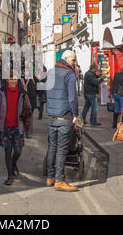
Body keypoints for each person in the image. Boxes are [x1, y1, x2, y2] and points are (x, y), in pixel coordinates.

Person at [0, 71, 33, 185]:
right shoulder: (1, 92)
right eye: (11, 78)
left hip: (18, 127)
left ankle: (14, 163)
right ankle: (9, 175)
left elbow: (29, 112)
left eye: (15, 78)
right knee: (7, 151)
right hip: (5, 127)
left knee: (18, 150)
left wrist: (29, 129)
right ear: (6, 80)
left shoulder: (23, 93)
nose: (13, 81)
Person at [45, 50, 79, 192]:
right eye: (73, 60)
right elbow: (72, 98)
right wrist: (76, 115)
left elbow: (46, 93)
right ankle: (59, 180)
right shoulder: (69, 74)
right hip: (64, 117)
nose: (75, 63)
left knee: (52, 147)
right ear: (65, 59)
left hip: (51, 116)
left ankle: (50, 177)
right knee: (62, 149)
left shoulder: (51, 72)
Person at [21, 66, 36, 139]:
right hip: (23, 101)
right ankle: (23, 131)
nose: (26, 72)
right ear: (23, 72)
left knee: (29, 118)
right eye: (25, 71)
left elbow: (35, 90)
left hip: (31, 101)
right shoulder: (20, 80)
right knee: (23, 117)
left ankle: (28, 132)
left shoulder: (32, 79)